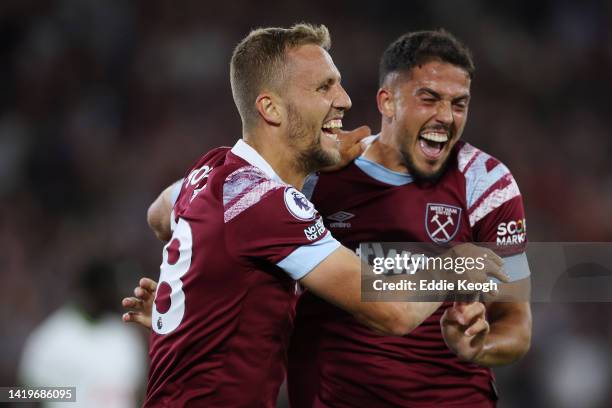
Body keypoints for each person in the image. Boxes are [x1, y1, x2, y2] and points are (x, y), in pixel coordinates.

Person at [123, 24, 505, 408]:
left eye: (337, 84)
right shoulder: (268, 205)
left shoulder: (214, 167)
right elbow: (394, 314)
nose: (344, 100)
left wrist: (195, 310)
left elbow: (159, 213)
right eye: (323, 87)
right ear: (269, 108)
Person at [19, 260, 146, 408]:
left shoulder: (125, 337)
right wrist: (67, 394)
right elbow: (21, 395)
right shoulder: (53, 336)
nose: (119, 296)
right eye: (111, 288)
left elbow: (137, 393)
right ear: (92, 291)